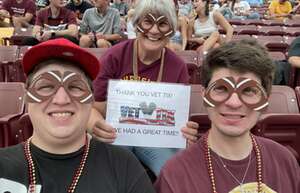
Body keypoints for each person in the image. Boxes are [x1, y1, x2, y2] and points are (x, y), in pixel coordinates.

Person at [0, 38, 156, 193]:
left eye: (75, 87)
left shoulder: (123, 166)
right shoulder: (3, 166)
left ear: (91, 100)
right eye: (46, 86)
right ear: (27, 97)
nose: (61, 100)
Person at [154, 40, 300, 193]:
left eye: (249, 90)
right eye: (221, 88)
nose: (234, 102)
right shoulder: (174, 175)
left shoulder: (285, 161)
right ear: (204, 95)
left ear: (265, 100)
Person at [88, 0, 199, 176]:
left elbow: (178, 121)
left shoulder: (177, 66)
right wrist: (95, 125)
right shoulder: (114, 56)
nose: (154, 31)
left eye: (162, 23)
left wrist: (185, 132)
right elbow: (92, 107)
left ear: (171, 29)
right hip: (116, 134)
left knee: (174, 173)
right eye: (147, 22)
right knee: (114, 172)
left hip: (156, 140)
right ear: (137, 24)